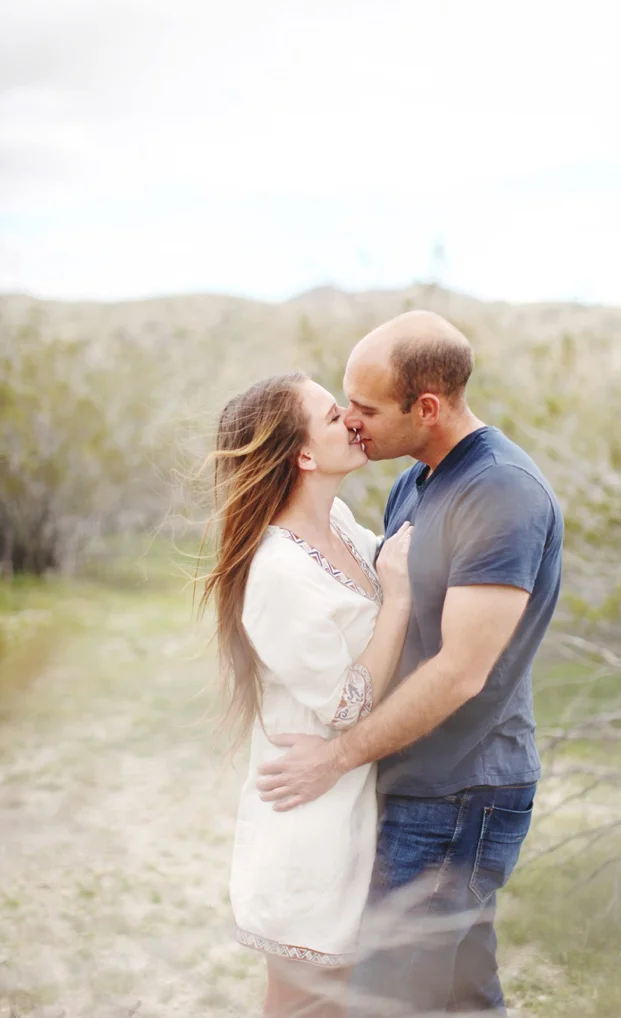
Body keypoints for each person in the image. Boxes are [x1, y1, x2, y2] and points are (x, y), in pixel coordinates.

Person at [257, 311, 565, 1016]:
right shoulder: (418, 483)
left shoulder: (499, 492)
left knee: (392, 1000)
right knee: (459, 996)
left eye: (365, 409)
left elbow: (461, 669)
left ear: (426, 407)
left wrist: (336, 758)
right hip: (419, 785)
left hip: (458, 794)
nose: (352, 423)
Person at [199, 372, 413, 1018]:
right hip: (308, 819)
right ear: (304, 455)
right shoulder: (278, 572)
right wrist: (397, 596)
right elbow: (347, 705)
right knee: (307, 1006)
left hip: (351, 803)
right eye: (331, 413)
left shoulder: (341, 525)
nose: (351, 417)